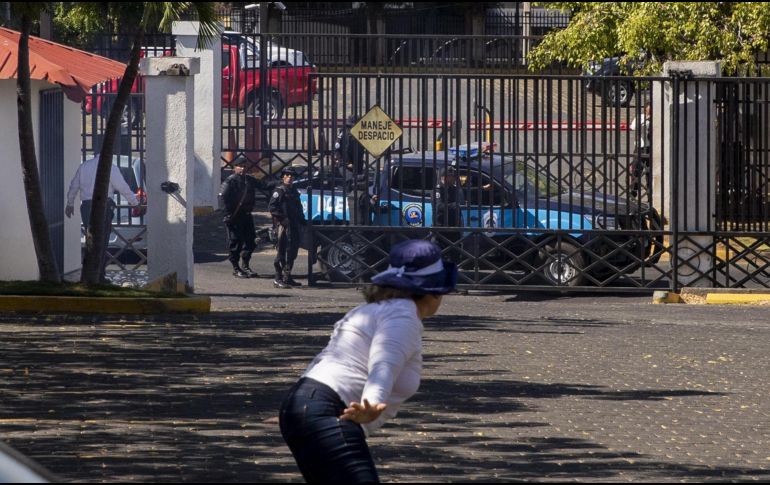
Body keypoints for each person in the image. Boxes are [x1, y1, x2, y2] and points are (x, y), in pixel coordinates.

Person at [279, 239, 457, 483]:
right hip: (327, 409)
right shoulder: (403, 315)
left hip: (310, 404)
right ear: (433, 291)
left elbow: (330, 359)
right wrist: (372, 403)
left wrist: (302, 409)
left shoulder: (372, 310)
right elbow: (384, 362)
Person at [65, 155, 140, 283]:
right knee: (102, 241)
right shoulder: (110, 167)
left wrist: (70, 204)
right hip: (104, 205)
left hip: (86, 206)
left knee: (90, 241)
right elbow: (122, 187)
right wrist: (134, 202)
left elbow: (74, 186)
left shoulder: (84, 166)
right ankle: (99, 275)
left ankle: (89, 274)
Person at [219, 156, 260, 278]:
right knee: (236, 242)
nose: (242, 169)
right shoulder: (230, 181)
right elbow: (222, 198)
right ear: (234, 168)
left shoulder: (249, 179)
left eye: (244, 166)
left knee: (251, 241)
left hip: (247, 215)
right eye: (240, 166)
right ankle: (236, 268)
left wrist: (281, 183)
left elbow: (264, 185)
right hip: (235, 216)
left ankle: (245, 265)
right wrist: (227, 215)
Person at [268, 166, 307, 288]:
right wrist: (282, 219)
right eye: (287, 175)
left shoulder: (294, 191)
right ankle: (278, 278)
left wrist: (302, 220)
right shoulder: (279, 191)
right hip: (283, 226)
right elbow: (272, 207)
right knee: (281, 252)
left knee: (292, 252)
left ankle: (287, 276)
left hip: (294, 225)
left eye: (292, 176)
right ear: (283, 177)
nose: (289, 177)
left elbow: (299, 207)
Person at [335, 115, 375, 225]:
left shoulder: (361, 133)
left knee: (360, 181)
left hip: (358, 163)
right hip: (345, 164)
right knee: (350, 180)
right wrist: (345, 163)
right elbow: (337, 149)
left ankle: (361, 199)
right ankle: (350, 197)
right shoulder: (343, 133)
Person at [433, 163, 466, 263]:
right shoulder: (438, 190)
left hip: (454, 229)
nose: (453, 179)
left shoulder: (455, 190)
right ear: (444, 177)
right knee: (438, 260)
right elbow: (439, 206)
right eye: (450, 177)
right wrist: (454, 206)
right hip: (441, 229)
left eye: (453, 176)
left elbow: (463, 200)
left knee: (454, 259)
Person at [630, 102, 652, 198]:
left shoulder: (656, 118)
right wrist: (645, 121)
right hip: (640, 147)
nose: (649, 111)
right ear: (645, 109)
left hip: (650, 148)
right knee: (636, 171)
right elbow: (633, 127)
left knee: (649, 173)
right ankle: (633, 193)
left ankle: (650, 195)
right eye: (648, 109)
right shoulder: (640, 117)